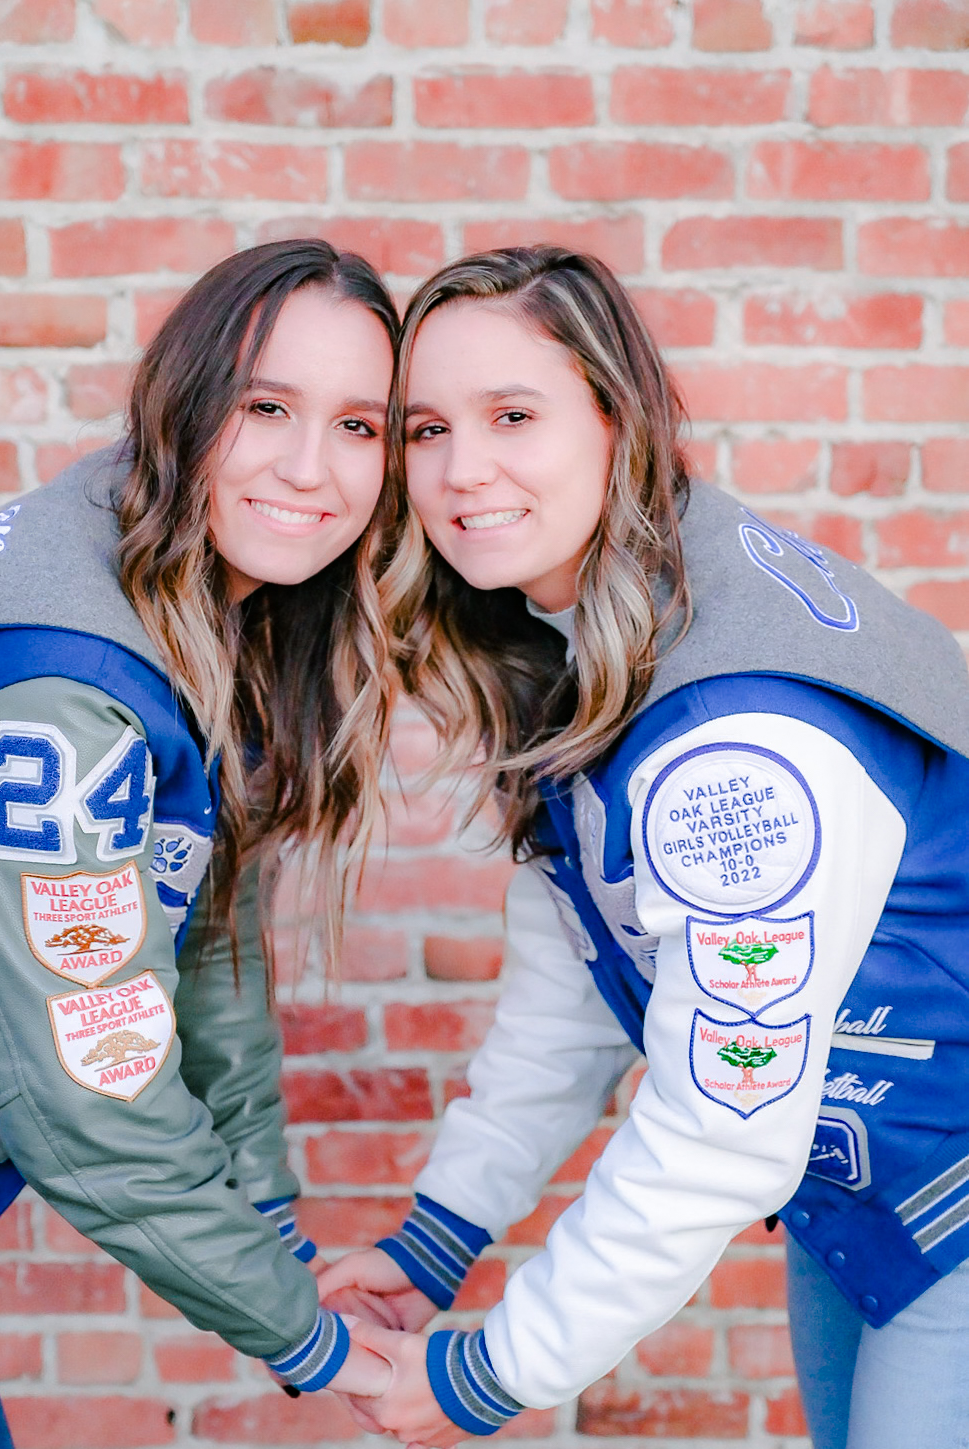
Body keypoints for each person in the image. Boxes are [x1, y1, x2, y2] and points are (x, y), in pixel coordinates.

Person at [317, 246, 969, 1449]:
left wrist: (490, 1372)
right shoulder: (600, 637)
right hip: (872, 1200)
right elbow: (574, 992)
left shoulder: (729, 741)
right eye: (423, 430)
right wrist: (435, 1242)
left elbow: (721, 1126)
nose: (463, 472)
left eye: (515, 415)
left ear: (621, 417)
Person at [0, 239, 399, 1447]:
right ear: (185, 399)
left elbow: (205, 955)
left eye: (360, 427)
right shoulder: (62, 685)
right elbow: (95, 1098)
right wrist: (307, 1333)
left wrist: (275, 1230)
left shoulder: (197, 608)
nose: (312, 469)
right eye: (266, 407)